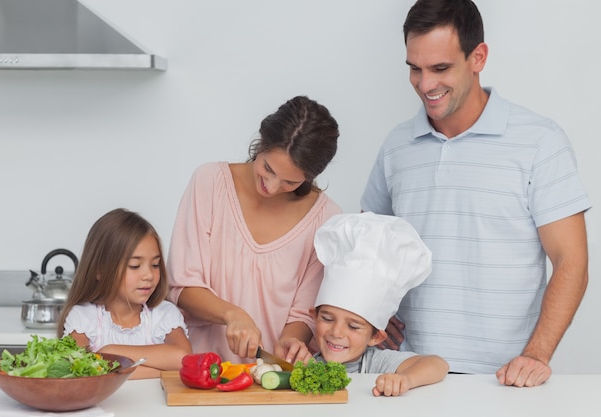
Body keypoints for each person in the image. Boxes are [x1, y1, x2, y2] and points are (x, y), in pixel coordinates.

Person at [360, 0, 591, 387]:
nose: (425, 84)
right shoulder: (397, 145)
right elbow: (369, 245)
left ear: (478, 57)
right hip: (406, 375)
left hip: (505, 380)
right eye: (414, 69)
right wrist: (373, 310)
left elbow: (571, 260)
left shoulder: (539, 141)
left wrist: (536, 355)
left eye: (440, 68)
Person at [167, 95, 342, 364]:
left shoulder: (326, 218)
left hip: (273, 379)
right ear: (261, 142)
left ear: (309, 177)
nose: (271, 187)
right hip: (201, 373)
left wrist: (291, 341)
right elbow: (182, 286)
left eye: (289, 182)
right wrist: (232, 314)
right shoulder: (210, 183)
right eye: (268, 168)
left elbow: (304, 313)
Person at [310, 212, 449, 396]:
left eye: (353, 326)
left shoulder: (378, 363)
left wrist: (405, 379)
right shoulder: (308, 363)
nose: (336, 332)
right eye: (327, 318)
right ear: (314, 316)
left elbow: (438, 364)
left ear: (376, 337)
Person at [58, 208, 192, 379]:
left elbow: (182, 358)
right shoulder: (83, 317)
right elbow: (80, 369)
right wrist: (160, 371)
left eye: (155, 264)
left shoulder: (164, 314)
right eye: (135, 266)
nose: (149, 275)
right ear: (100, 270)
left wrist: (110, 351)